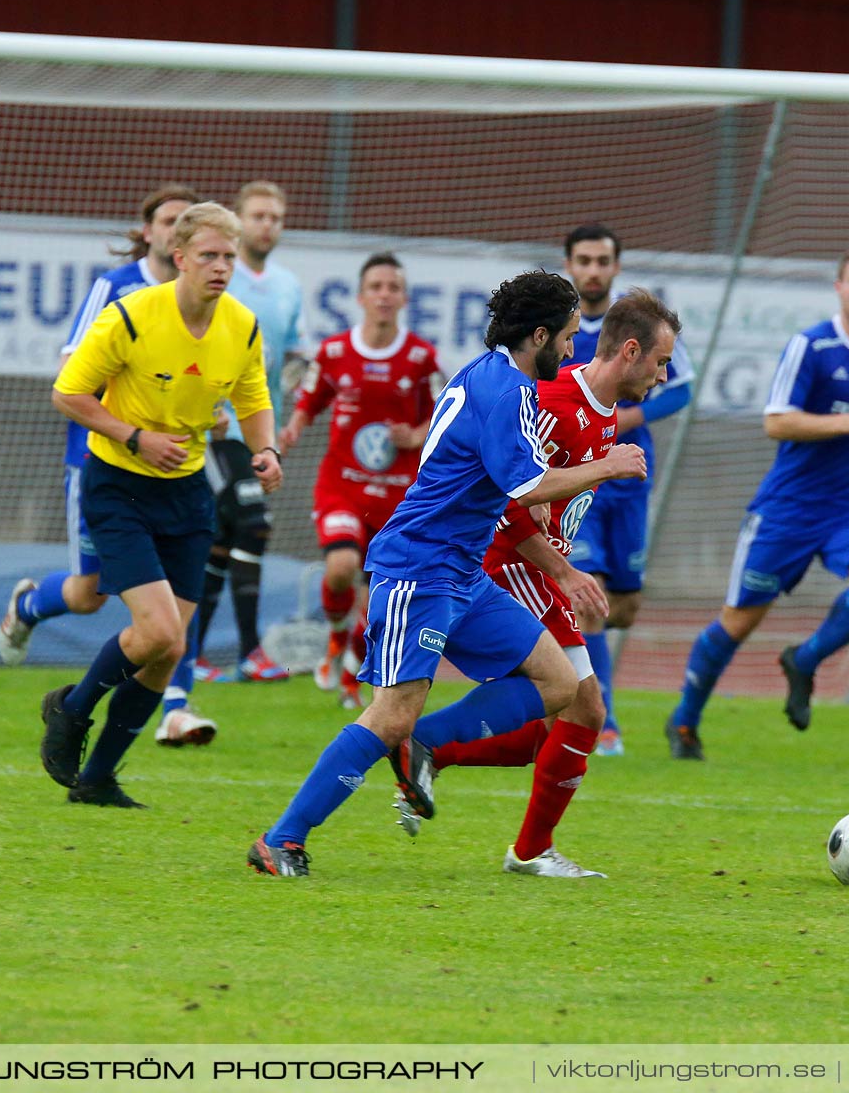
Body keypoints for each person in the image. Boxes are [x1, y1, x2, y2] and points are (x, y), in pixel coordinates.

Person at [246, 271, 647, 877]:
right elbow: (530, 483)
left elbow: (515, 477)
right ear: (538, 334)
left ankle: (423, 741)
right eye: (566, 337)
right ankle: (282, 838)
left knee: (558, 683)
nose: (572, 350)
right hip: (420, 568)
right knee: (388, 714)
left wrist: (542, 491)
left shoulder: (492, 377)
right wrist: (606, 466)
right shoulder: (507, 391)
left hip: (463, 572)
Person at [421, 291, 677, 877]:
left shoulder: (604, 409)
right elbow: (507, 499)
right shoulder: (555, 400)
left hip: (538, 567)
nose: (663, 376)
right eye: (660, 362)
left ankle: (429, 748)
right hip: (511, 565)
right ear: (630, 351)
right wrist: (564, 571)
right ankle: (528, 848)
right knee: (585, 708)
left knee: (547, 726)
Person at [38, 202, 282, 808]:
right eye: (210, 256)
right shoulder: (132, 315)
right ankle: (71, 709)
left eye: (229, 257)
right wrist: (135, 436)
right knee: (157, 630)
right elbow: (68, 393)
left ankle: (96, 779)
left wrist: (267, 450)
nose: (222, 267)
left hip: (186, 493)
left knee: (170, 647)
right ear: (179, 257)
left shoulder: (241, 326)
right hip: (117, 484)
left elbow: (253, 399)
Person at [0, 184, 221, 746]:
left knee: (174, 595)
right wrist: (138, 417)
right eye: (167, 220)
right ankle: (28, 605)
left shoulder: (207, 306)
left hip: (174, 471)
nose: (175, 230)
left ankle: (176, 706)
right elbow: (74, 372)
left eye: (186, 223)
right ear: (148, 231)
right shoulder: (116, 289)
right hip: (101, 466)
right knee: (89, 594)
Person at [665, 246, 849, 759]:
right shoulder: (811, 346)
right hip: (789, 509)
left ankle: (806, 659)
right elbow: (776, 421)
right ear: (840, 288)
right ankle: (685, 722)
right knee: (739, 622)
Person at [277, 253, 442, 710]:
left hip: (398, 496)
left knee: (380, 605)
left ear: (404, 297)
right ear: (361, 296)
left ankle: (351, 669)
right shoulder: (334, 352)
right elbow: (309, 402)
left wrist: (415, 434)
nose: (385, 295)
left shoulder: (420, 358)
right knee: (340, 566)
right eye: (376, 287)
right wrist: (287, 434)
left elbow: (444, 418)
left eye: (393, 287)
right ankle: (334, 639)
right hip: (342, 486)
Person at [559, 225, 694, 756]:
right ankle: (602, 720)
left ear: (615, 267)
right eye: (584, 260)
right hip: (579, 480)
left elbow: (680, 389)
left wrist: (624, 417)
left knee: (625, 605)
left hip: (630, 477)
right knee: (587, 599)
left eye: (602, 260)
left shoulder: (639, 327)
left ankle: (567, 669)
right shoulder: (561, 330)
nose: (593, 269)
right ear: (570, 265)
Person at [192, 180, 303, 685]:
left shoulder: (287, 285)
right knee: (254, 524)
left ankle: (190, 652)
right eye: (258, 216)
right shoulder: (221, 278)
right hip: (219, 428)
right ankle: (251, 651)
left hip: (261, 427)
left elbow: (295, 353)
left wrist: (294, 404)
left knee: (225, 536)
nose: (267, 225)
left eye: (275, 217)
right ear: (239, 221)